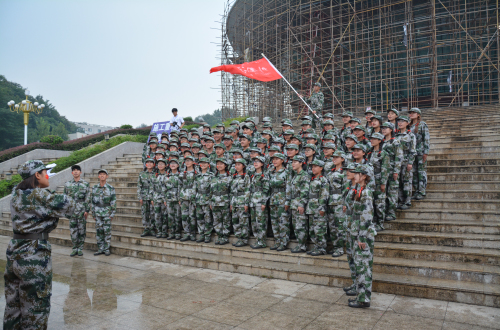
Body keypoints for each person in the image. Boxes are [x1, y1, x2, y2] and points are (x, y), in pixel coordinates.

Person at [4, 160, 75, 329]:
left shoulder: (16, 194)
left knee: (13, 309)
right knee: (36, 310)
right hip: (33, 255)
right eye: (45, 172)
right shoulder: (39, 195)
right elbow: (69, 206)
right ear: (37, 175)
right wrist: (51, 214)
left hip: (15, 252)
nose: (48, 175)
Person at [348, 165, 375, 309]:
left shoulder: (366, 193)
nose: (354, 175)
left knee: (363, 266)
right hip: (358, 232)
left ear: (364, 176)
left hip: (363, 235)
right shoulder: (360, 191)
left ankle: (363, 299)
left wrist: (362, 238)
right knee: (359, 266)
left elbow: (366, 217)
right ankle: (360, 296)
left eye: (357, 173)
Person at [64, 164, 90, 257]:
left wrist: (87, 210)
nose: (75, 171)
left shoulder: (85, 184)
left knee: (82, 230)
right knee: (73, 231)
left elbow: (87, 197)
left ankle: (80, 248)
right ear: (72, 173)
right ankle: (74, 248)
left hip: (81, 210)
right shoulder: (67, 184)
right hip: (72, 211)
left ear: (80, 172)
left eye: (77, 170)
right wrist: (66, 210)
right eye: (74, 170)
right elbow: (65, 198)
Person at [286, 155, 310, 253]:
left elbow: (305, 191)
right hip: (294, 203)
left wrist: (301, 204)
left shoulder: (304, 175)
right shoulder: (296, 175)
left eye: (296, 162)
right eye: (292, 162)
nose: (293, 164)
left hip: (299, 203)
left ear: (301, 163)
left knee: (301, 226)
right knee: (296, 226)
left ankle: (302, 245)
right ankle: (300, 244)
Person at [90, 169, 116, 256]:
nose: (102, 175)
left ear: (107, 176)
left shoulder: (110, 188)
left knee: (107, 231)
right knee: (99, 231)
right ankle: (100, 248)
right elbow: (92, 202)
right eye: (100, 174)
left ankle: (106, 249)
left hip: (107, 212)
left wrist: (112, 214)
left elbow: (113, 201)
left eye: (104, 174)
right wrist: (93, 213)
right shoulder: (94, 188)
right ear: (98, 176)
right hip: (97, 213)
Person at [306, 159, 329, 256]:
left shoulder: (323, 180)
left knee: (319, 229)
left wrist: (322, 207)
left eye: (315, 166)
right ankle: (316, 247)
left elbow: (324, 194)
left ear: (321, 168)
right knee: (312, 229)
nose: (313, 168)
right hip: (311, 207)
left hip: (318, 207)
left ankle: (321, 248)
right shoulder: (312, 179)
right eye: (312, 166)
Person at [326, 151, 346, 257]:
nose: (334, 159)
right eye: (333, 157)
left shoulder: (344, 173)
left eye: (337, 157)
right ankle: (335, 246)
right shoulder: (330, 173)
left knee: (340, 226)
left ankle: (340, 248)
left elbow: (346, 188)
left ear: (342, 159)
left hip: (340, 201)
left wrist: (345, 203)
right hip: (330, 202)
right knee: (332, 226)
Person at [269, 153, 289, 251]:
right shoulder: (271, 172)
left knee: (283, 222)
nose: (275, 161)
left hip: (282, 199)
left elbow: (289, 188)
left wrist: (287, 201)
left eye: (277, 159)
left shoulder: (286, 172)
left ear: (282, 160)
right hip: (273, 200)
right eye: (273, 159)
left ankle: (283, 242)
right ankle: (277, 241)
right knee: (274, 222)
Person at [209, 158, 233, 245]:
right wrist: (210, 202)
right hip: (215, 202)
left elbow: (232, 191)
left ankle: (225, 237)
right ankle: (219, 236)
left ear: (226, 165)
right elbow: (211, 191)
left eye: (221, 164)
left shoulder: (229, 178)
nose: (219, 165)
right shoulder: (213, 177)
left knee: (226, 220)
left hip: (225, 201)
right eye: (217, 164)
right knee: (216, 220)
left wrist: (231, 203)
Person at [249, 156, 270, 249]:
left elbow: (266, 190)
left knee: (261, 222)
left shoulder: (264, 175)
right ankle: (257, 239)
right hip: (253, 201)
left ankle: (261, 241)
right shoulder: (253, 175)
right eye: (254, 161)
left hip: (260, 201)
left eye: (258, 161)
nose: (255, 163)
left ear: (262, 164)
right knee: (254, 222)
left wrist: (264, 202)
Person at [409, 107, 430, 200]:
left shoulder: (422, 124)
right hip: (412, 153)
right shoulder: (409, 126)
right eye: (411, 113)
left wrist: (426, 152)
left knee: (421, 171)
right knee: (414, 172)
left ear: (418, 115)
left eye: (414, 113)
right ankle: (416, 190)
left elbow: (426, 139)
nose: (412, 114)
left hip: (420, 151)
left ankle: (421, 191)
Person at [396, 116, 416, 210]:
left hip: (406, 161)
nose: (400, 123)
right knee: (398, 182)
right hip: (397, 163)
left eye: (402, 121)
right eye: (399, 121)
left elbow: (413, 150)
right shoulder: (395, 135)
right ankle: (400, 201)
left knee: (407, 182)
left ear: (407, 123)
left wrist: (410, 162)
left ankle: (407, 202)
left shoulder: (410, 135)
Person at [230, 159, 251, 247]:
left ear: (243, 166)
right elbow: (231, 191)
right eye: (236, 165)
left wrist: (246, 203)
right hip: (234, 202)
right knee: (235, 221)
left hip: (242, 202)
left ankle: (244, 239)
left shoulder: (246, 176)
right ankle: (239, 238)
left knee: (243, 222)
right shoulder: (234, 176)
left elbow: (247, 190)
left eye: (239, 164)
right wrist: (231, 203)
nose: (237, 166)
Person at [194, 157, 214, 243]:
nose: (203, 165)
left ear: (208, 165)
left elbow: (212, 189)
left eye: (205, 163)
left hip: (207, 199)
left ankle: (207, 235)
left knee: (207, 218)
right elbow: (194, 188)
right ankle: (201, 234)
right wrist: (194, 199)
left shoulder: (211, 175)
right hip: (198, 198)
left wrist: (211, 200)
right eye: (202, 163)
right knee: (199, 218)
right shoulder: (197, 175)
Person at [179, 155, 197, 241]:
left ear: (193, 162)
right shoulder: (182, 173)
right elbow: (180, 185)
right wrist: (179, 197)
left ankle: (192, 233)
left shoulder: (196, 173)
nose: (187, 162)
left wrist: (194, 198)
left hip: (192, 198)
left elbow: (196, 186)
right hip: (183, 197)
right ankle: (186, 233)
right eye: (186, 161)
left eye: (189, 160)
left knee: (192, 216)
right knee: (184, 216)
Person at [137, 159, 156, 237]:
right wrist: (139, 197)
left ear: (153, 164)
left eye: (151, 162)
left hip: (153, 196)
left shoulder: (156, 174)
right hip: (144, 196)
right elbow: (139, 186)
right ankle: (146, 228)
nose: (149, 164)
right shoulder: (142, 174)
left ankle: (152, 229)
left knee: (153, 213)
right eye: (147, 162)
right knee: (145, 213)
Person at [165, 159, 182, 239]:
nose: (173, 164)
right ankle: (172, 232)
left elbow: (181, 187)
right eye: (171, 163)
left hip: (177, 199)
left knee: (177, 216)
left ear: (178, 165)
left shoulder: (180, 175)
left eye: (175, 163)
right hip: (169, 199)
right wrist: (165, 199)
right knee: (170, 216)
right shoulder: (167, 176)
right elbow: (164, 188)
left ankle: (178, 233)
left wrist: (179, 198)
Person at [152, 159, 168, 238]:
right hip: (156, 198)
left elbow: (168, 188)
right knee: (157, 216)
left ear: (165, 165)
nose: (160, 165)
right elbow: (152, 188)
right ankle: (159, 231)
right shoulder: (155, 175)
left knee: (164, 216)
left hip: (164, 198)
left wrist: (166, 199)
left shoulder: (168, 175)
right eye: (159, 164)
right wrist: (152, 198)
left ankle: (164, 231)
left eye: (162, 164)